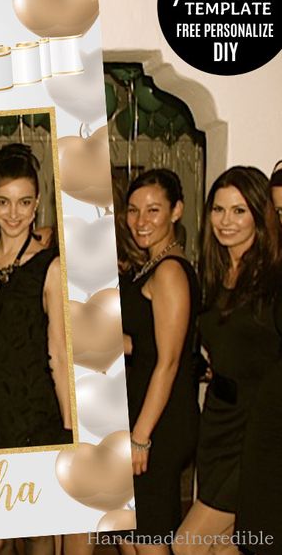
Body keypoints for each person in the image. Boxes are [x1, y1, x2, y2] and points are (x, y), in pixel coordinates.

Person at [177, 167, 282, 555]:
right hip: (218, 421)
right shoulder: (217, 273)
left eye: (239, 211)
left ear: (260, 213)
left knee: (188, 545)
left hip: (258, 431)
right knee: (228, 545)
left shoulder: (274, 277)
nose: (226, 221)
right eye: (219, 210)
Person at [0, 143, 71, 450]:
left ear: (36, 205)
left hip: (28, 418)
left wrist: (69, 431)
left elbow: (60, 355)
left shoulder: (50, 267)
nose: (13, 213)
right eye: (3, 202)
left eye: (23, 202)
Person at [118, 169, 200, 555]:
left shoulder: (169, 271)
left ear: (176, 211)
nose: (141, 221)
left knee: (149, 537)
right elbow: (150, 345)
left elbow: (168, 362)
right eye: (134, 210)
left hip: (161, 422)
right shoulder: (153, 265)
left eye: (153, 210)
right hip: (147, 411)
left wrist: (140, 437)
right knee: (129, 532)